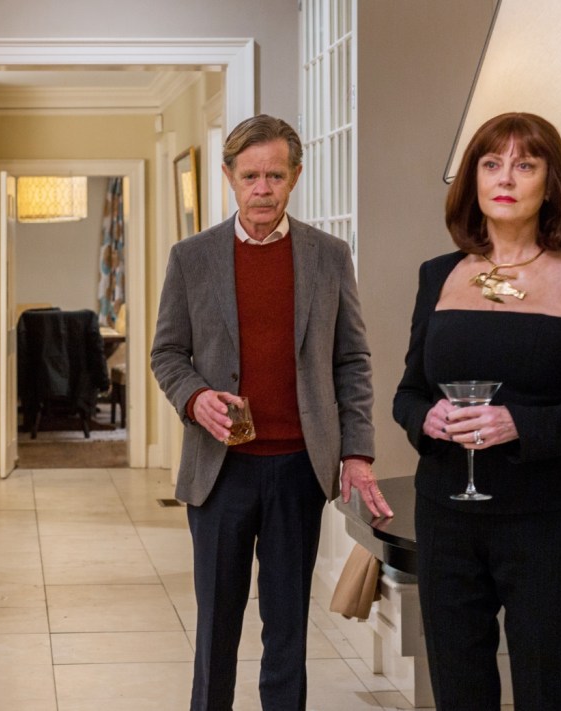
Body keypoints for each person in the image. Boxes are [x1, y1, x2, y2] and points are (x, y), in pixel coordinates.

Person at [151, 114, 393, 710]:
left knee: (287, 629)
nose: (263, 189)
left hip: (298, 470)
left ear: (295, 177)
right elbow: (167, 353)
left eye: (276, 176)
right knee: (217, 626)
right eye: (251, 176)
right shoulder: (191, 258)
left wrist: (357, 452)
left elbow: (352, 359)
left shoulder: (329, 256)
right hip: (220, 472)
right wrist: (194, 397)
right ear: (230, 176)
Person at [392, 112, 561, 710]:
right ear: (473, 179)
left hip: (544, 517)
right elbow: (407, 392)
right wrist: (425, 420)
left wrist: (521, 424)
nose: (506, 178)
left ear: (551, 181)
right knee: (458, 691)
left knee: (547, 690)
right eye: (492, 163)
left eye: (525, 164)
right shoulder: (438, 276)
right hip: (445, 513)